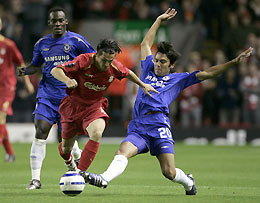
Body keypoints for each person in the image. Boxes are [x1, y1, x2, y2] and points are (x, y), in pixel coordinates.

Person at [82, 8, 253, 195]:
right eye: (156, 60)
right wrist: (158, 20)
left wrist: (234, 62)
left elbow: (208, 73)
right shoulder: (147, 69)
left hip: (159, 125)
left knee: (169, 172)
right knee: (122, 152)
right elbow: (145, 43)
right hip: (139, 126)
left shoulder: (178, 79)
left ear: (171, 65)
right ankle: (104, 178)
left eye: (162, 62)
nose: (157, 63)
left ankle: (188, 182)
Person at [50, 38, 158, 176]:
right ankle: (70, 161)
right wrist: (67, 80)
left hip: (94, 106)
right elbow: (55, 70)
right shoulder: (84, 61)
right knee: (66, 149)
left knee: (97, 133)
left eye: (110, 60)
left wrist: (142, 85)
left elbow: (127, 72)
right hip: (73, 106)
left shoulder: (114, 67)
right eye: (104, 60)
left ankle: (80, 174)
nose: (107, 64)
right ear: (97, 55)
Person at [17, 7, 96, 190]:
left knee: (65, 141)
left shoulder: (77, 41)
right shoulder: (41, 44)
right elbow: (36, 66)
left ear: (66, 21)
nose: (58, 24)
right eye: (54, 21)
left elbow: (92, 60)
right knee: (41, 130)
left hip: (69, 99)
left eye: (61, 20)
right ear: (49, 23)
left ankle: (76, 164)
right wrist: (24, 71)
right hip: (47, 95)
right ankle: (35, 179)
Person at [0, 18, 34, 162]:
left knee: (0, 119)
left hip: (6, 87)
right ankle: (10, 152)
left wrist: (27, 82)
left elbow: (20, 64)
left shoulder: (8, 45)